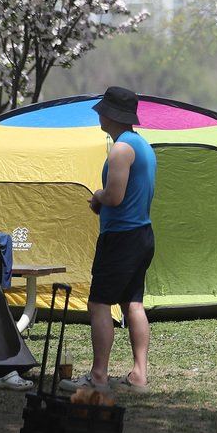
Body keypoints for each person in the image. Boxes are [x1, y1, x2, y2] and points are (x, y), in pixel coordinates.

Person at [62, 86, 155, 394]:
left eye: (102, 110)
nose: (98, 115)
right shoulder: (142, 146)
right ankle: (139, 375)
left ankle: (98, 376)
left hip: (121, 237)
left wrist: (97, 196)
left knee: (99, 303)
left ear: (112, 115)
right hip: (142, 234)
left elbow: (114, 196)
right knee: (133, 304)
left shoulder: (120, 150)